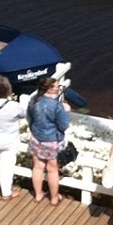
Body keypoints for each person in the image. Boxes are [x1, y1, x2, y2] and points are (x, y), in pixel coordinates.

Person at [26, 76, 70, 205]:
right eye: (57, 86)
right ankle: (54, 197)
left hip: (36, 137)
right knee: (52, 169)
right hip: (52, 140)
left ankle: (38, 194)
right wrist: (66, 111)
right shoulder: (56, 105)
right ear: (50, 89)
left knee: (38, 167)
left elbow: (29, 118)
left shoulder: (33, 101)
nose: (58, 88)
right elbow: (63, 125)